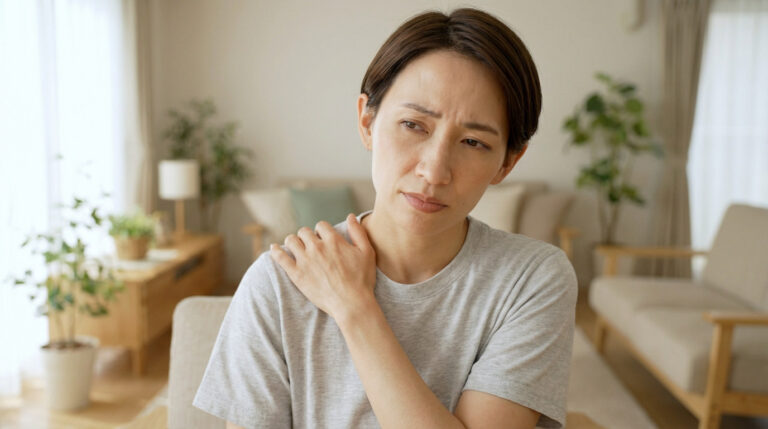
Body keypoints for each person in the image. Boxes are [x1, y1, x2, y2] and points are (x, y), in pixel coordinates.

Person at [194, 7, 577, 429]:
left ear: (508, 162)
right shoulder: (280, 282)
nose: (434, 171)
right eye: (413, 124)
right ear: (367, 121)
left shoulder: (533, 279)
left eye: (472, 141)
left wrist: (356, 309)